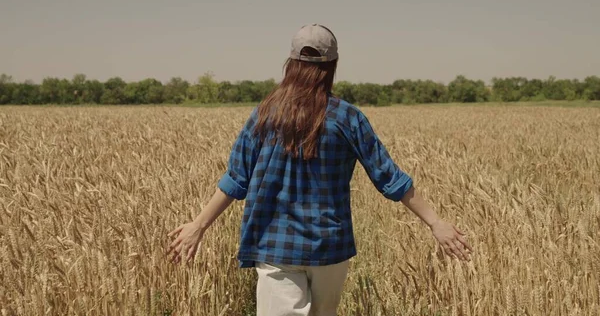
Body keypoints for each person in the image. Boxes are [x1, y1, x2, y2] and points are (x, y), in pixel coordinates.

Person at [167, 24, 473, 316]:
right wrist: (435, 223)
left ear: (291, 63)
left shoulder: (263, 115)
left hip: (275, 244)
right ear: (333, 65)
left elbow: (236, 178)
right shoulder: (348, 118)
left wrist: (199, 225)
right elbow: (389, 178)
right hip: (329, 246)